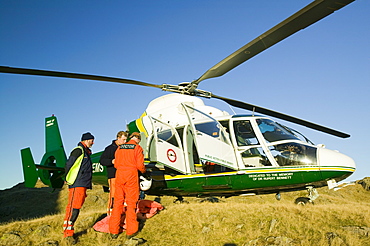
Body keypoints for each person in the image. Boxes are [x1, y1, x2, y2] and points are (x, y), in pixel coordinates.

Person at [109, 132, 146, 240]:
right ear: (138, 139)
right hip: (131, 176)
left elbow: (116, 164)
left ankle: (114, 231)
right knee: (131, 203)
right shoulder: (137, 148)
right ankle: (131, 231)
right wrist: (144, 171)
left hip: (119, 175)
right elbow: (140, 165)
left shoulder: (119, 148)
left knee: (117, 203)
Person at [63, 132, 95, 244]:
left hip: (83, 184)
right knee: (73, 208)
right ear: (86, 140)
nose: (93, 142)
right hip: (77, 183)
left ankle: (69, 231)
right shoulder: (78, 150)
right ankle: (67, 234)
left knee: (76, 208)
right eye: (92, 140)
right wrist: (66, 177)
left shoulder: (86, 152)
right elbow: (69, 164)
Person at [100, 131, 128, 215]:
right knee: (114, 194)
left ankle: (121, 212)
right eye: (123, 139)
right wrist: (112, 161)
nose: (125, 142)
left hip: (123, 175)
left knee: (123, 194)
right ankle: (110, 212)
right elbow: (102, 161)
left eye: (126, 140)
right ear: (118, 138)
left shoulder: (125, 148)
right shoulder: (109, 149)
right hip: (113, 175)